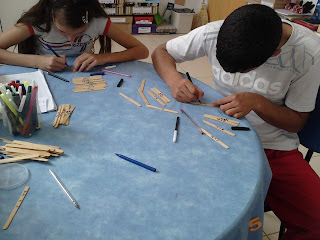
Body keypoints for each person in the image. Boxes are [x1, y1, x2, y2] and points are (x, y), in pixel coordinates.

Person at [152, 4, 320, 240]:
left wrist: (258, 103)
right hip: (213, 130)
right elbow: (161, 52)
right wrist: (174, 81)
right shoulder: (216, 31)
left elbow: (296, 122)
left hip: (272, 147)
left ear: (274, 54)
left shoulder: (310, 53)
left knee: (316, 223)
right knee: (174, 201)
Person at [0, 0, 148, 72]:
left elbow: (142, 51)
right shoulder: (39, 22)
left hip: (83, 72)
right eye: (63, 32)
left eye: (80, 33)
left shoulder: (98, 22)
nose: (71, 39)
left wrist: (101, 57)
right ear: (52, 16)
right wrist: (36, 61)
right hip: (43, 74)